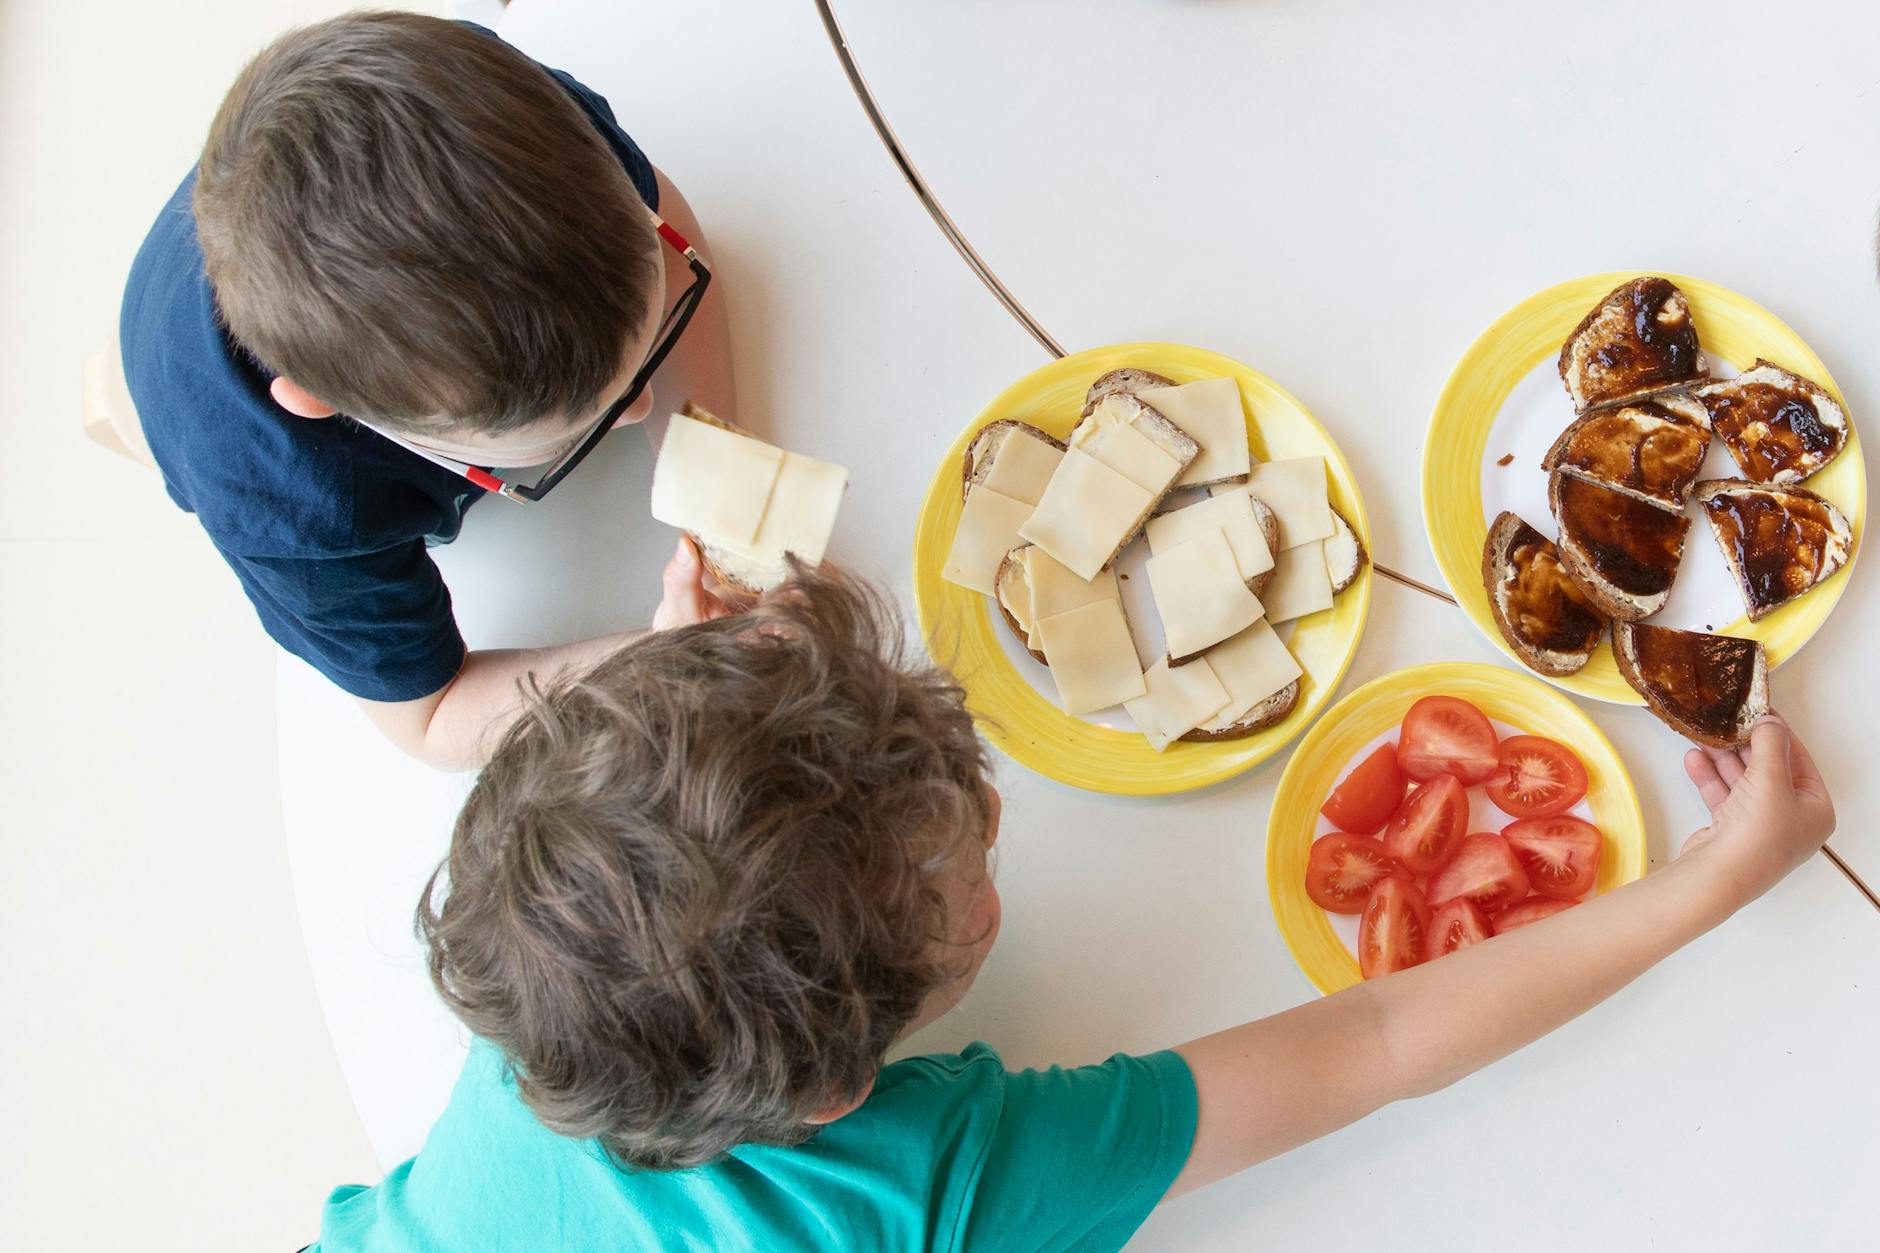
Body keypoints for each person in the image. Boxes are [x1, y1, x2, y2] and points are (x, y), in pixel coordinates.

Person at [310, 565, 1835, 1251]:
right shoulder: (926, 1187)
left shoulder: (540, 965)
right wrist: (1711, 882)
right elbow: (1374, 1040)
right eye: (963, 878)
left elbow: (608, 801)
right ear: (848, 1087)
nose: (995, 834)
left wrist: (693, 695)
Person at [119, 13, 738, 770]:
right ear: (337, 409)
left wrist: (719, 474)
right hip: (190, 396)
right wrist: (666, 659)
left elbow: (662, 219)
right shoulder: (298, 512)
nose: (644, 407)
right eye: (573, 432)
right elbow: (433, 717)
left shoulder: (522, 128)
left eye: (646, 349)